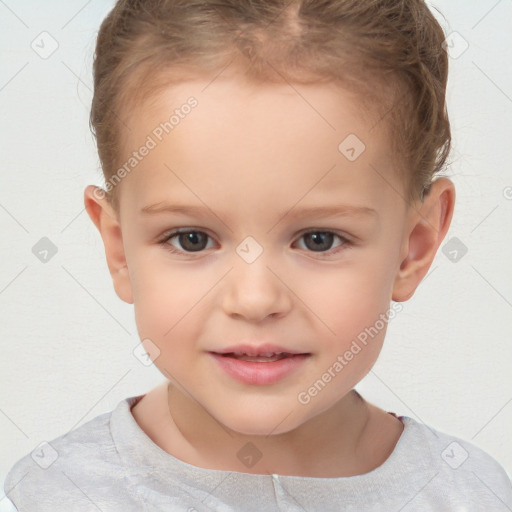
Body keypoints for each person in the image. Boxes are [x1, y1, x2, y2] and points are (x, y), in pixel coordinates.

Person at [4, 0, 512, 510]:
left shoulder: (471, 494)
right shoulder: (49, 494)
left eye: (319, 239)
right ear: (119, 249)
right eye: (191, 239)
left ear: (414, 247)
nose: (254, 300)